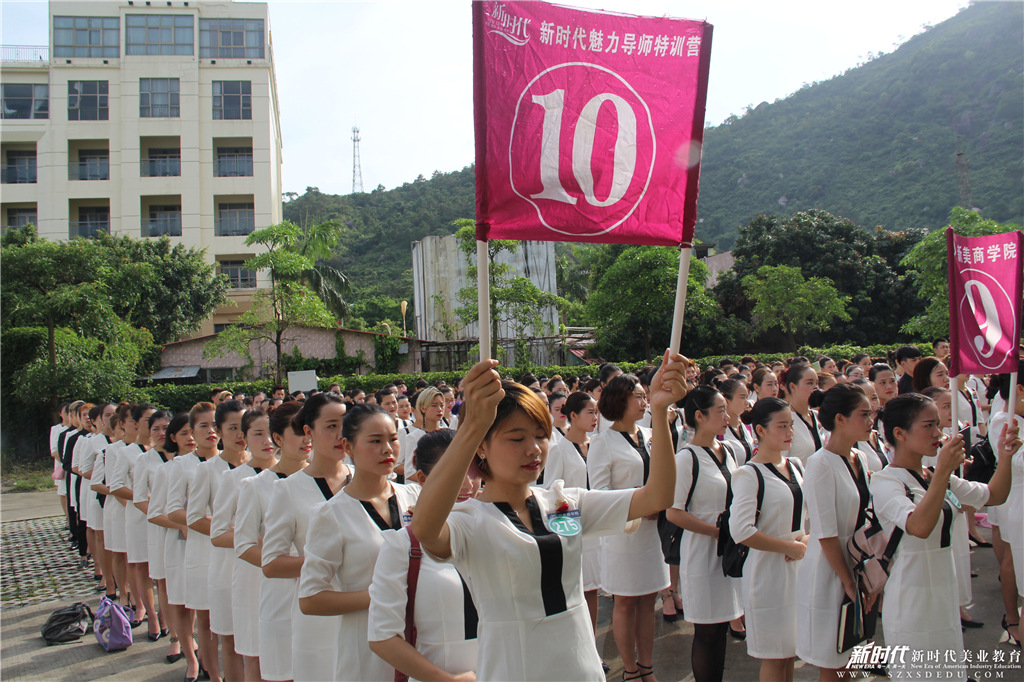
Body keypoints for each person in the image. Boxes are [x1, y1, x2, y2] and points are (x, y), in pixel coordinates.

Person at [412, 351, 686, 682]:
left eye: (541, 435)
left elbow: (658, 496)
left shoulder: (564, 501)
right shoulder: (469, 520)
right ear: (481, 446)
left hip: (581, 668)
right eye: (517, 438)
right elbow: (426, 529)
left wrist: (658, 410)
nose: (534, 449)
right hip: (514, 670)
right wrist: (471, 426)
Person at [870, 394, 1019, 681]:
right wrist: (942, 474)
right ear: (899, 434)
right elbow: (919, 526)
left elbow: (994, 495)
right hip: (912, 600)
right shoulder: (886, 482)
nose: (938, 433)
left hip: (943, 596)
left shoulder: (934, 476)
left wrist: (1005, 455)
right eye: (928, 426)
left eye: (938, 424)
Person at [298, 404, 420, 681]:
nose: (388, 449)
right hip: (365, 648)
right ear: (348, 447)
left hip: (422, 637)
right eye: (375, 441)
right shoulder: (332, 514)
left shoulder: (414, 496)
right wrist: (381, 595)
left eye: (393, 438)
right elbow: (310, 599)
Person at [368, 429, 480, 681]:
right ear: (422, 478)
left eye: (472, 469)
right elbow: (382, 636)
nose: (465, 482)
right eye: (452, 470)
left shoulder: (498, 531)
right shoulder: (403, 545)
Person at [262, 393, 352, 682]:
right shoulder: (288, 490)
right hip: (319, 615)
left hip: (369, 607)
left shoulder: (366, 479)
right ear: (308, 431)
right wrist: (322, 562)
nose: (341, 434)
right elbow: (272, 563)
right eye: (330, 426)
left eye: (346, 424)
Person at [588, 373, 668, 681]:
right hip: (623, 534)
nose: (644, 400)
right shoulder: (602, 443)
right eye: (637, 396)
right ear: (619, 401)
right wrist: (639, 506)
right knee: (625, 602)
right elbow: (599, 494)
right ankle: (630, 669)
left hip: (652, 533)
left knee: (649, 600)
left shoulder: (650, 433)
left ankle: (647, 666)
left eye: (644, 395)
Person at [796, 384, 874, 679]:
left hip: (856, 563)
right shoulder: (819, 464)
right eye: (864, 414)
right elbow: (827, 534)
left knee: (855, 659)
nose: (870, 421)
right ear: (840, 419)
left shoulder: (859, 458)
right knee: (835, 659)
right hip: (831, 570)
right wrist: (849, 583)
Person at [667, 386, 744, 682]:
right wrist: (715, 532)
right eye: (720, 410)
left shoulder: (728, 451)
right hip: (702, 552)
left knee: (721, 626)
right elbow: (674, 512)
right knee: (706, 631)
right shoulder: (687, 458)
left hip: (726, 551)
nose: (727, 416)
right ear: (700, 416)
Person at [235, 401, 308, 682]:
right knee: (283, 671)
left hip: (324, 590)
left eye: (309, 429)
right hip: (280, 592)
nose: (306, 438)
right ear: (278, 438)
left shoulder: (330, 479)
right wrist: (284, 566)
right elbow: (243, 544)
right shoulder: (257, 486)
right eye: (298, 431)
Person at [211, 408, 273, 681]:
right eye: (258, 434)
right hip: (251, 573)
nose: (267, 440)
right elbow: (218, 533)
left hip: (288, 573)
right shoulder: (235, 479)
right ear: (245, 437)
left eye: (271, 433)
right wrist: (254, 540)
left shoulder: (296, 475)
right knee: (253, 652)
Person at [540, 392, 604, 648]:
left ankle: (593, 646)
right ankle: (577, 645)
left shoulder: (598, 444)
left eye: (597, 412)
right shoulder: (559, 449)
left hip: (597, 524)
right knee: (577, 589)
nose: (595, 418)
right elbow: (550, 491)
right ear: (573, 416)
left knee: (593, 589)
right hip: (572, 528)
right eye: (590, 412)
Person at [165, 403, 220, 682]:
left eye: (214, 426)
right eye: (202, 426)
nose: (211, 431)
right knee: (204, 616)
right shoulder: (181, 465)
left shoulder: (234, 462)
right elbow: (172, 509)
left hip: (230, 547)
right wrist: (206, 523)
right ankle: (204, 668)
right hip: (195, 544)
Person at [150, 413, 201, 679]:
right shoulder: (166, 470)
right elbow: (155, 512)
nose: (191, 438)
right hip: (181, 544)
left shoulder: (219, 465)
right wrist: (182, 525)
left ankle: (206, 655)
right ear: (173, 438)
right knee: (182, 603)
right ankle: (190, 657)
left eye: (194, 431)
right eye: (184, 433)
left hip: (211, 544)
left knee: (206, 604)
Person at [988, 372, 1024, 646]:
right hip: (1013, 496)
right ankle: (1013, 620)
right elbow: (1014, 462)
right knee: (1012, 562)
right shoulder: (1004, 420)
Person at [134, 410, 175, 648]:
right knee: (165, 582)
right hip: (161, 527)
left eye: (165, 428)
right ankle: (166, 628)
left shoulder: (185, 456)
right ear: (148, 432)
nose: (161, 433)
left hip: (190, 529)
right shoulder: (145, 460)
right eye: (156, 429)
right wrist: (167, 518)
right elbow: (140, 499)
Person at [781, 364, 824, 464]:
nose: (815, 388)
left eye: (816, 383)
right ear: (793, 387)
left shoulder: (818, 416)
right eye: (809, 383)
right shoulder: (784, 420)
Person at [401, 387, 444, 480]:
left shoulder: (448, 434)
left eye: (442, 405)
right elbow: (409, 472)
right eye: (434, 405)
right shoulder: (413, 437)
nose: (439, 409)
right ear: (423, 408)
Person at [850, 379, 888, 472]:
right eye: (864, 400)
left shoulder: (876, 435)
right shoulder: (851, 441)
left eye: (874, 398)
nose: (871, 405)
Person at [721, 378, 755, 464]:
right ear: (726, 400)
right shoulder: (718, 431)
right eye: (742, 397)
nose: (746, 402)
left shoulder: (746, 427)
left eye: (747, 397)